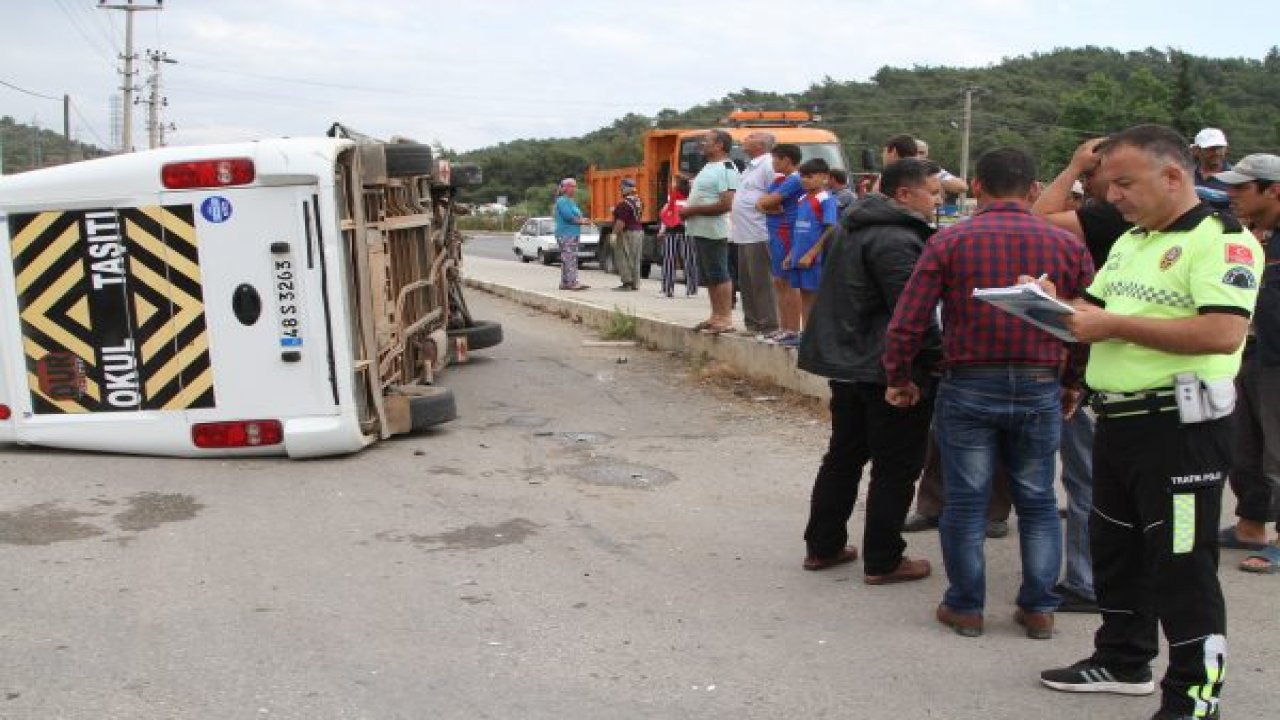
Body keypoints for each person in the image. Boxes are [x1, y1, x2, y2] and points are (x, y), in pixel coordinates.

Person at [1038, 124, 1262, 720]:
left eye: (1124, 184)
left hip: (1181, 431)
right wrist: (1055, 307)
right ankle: (1123, 657)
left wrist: (1110, 327)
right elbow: (1101, 309)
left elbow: (1222, 331)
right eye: (1108, 185)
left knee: (1183, 566)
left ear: (1173, 175)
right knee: (1117, 550)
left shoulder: (1223, 242)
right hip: (1118, 422)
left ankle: (1194, 695)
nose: (1113, 196)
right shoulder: (1134, 240)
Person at [883, 147, 1094, 641]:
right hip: (1040, 383)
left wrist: (900, 376)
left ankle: (966, 607)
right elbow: (1084, 320)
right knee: (1039, 500)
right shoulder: (1066, 245)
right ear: (1035, 190)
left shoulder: (950, 241)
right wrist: (1072, 382)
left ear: (976, 187)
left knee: (965, 500)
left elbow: (908, 321)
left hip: (969, 384)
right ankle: (1039, 608)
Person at [796, 157, 942, 584]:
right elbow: (911, 314)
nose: (937, 201)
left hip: (847, 362)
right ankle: (884, 558)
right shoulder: (897, 239)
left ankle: (823, 546)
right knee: (894, 466)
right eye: (932, 193)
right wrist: (933, 362)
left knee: (844, 456)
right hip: (885, 369)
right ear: (904, 194)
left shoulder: (851, 226)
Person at [1031, 135, 1135, 614]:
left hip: (1102, 369)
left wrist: (1072, 165)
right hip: (1142, 374)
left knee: (1087, 478)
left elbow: (1042, 215)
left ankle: (1088, 580)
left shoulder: (1107, 217)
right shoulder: (1183, 230)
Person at [1213, 154, 1280, 575]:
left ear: (1273, 189)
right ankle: (1252, 524)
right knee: (1245, 447)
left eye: (1242, 187)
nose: (1231, 193)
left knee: (1278, 450)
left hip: (1277, 357)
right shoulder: (1258, 234)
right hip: (1251, 350)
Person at [680, 130, 740, 335]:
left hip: (714, 230)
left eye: (707, 141)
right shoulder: (709, 166)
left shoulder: (727, 168)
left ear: (719, 145)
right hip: (700, 229)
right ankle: (716, 316)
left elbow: (726, 203)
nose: (702, 144)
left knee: (719, 273)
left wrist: (692, 210)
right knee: (709, 275)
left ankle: (725, 318)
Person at [729, 131, 779, 333]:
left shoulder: (768, 165)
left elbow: (777, 194)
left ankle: (769, 325)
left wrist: (763, 207)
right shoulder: (750, 167)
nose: (744, 139)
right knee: (747, 284)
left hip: (759, 232)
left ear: (761, 144)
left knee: (762, 283)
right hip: (743, 233)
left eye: (750, 137)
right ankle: (753, 323)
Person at [756, 143, 806, 344]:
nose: (773, 163)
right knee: (778, 281)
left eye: (775, 159)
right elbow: (761, 203)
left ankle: (793, 329)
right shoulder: (780, 179)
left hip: (786, 232)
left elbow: (766, 203)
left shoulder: (794, 180)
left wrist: (767, 205)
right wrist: (766, 205)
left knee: (787, 282)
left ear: (786, 160)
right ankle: (784, 327)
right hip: (775, 231)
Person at [783, 158, 839, 338]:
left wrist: (812, 253)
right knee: (804, 295)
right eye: (802, 176)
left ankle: (817, 336)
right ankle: (806, 334)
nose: (804, 180)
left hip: (814, 259)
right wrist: (791, 254)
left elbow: (831, 228)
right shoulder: (802, 198)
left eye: (809, 176)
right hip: (798, 256)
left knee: (815, 297)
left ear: (824, 177)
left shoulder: (826, 199)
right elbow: (799, 231)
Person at [658, 175, 698, 298]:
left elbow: (665, 214)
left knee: (669, 260)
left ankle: (668, 289)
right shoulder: (693, 198)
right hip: (687, 232)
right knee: (689, 260)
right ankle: (691, 290)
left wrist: (662, 230)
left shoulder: (673, 197)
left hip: (671, 232)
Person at [551, 177, 590, 291]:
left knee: (568, 258)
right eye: (571, 186)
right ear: (565, 188)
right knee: (570, 258)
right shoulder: (562, 201)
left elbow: (576, 215)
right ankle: (572, 282)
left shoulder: (571, 201)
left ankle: (565, 282)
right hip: (566, 233)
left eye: (574, 186)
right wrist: (582, 221)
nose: (574, 189)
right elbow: (568, 217)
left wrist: (583, 219)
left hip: (572, 233)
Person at [610, 178, 645, 291]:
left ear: (626, 189)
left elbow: (621, 222)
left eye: (622, 187)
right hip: (639, 231)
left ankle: (627, 283)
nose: (620, 189)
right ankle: (635, 283)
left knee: (624, 257)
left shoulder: (624, 204)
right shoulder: (639, 201)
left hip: (628, 233)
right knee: (635, 258)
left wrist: (614, 234)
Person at [1191, 127, 1232, 211]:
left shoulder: (1235, 179)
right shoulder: (1186, 174)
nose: (1216, 153)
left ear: (1226, 149)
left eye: (1219, 148)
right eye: (1210, 149)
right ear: (1196, 150)